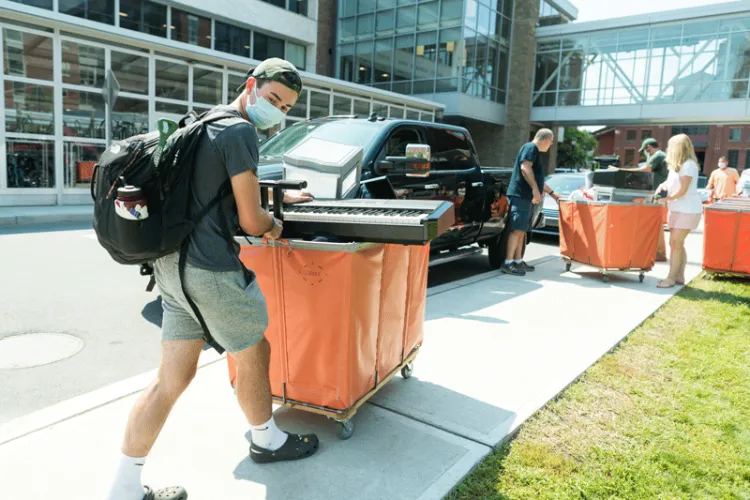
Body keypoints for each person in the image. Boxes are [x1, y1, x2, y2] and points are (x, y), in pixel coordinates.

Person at [106, 58, 317, 500]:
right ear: (251, 86)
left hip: (170, 268)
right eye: (274, 98)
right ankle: (267, 441)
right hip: (211, 270)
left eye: (287, 107)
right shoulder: (240, 132)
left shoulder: (204, 121)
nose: (278, 111)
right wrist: (274, 223)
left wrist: (276, 194)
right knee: (255, 349)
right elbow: (252, 222)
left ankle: (123, 488)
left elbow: (210, 187)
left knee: (171, 378)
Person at [502, 128, 561, 276]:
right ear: (547, 139)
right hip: (521, 195)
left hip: (526, 197)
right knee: (516, 230)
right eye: (551, 142)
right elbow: (525, 168)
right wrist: (535, 190)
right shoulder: (530, 148)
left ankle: (518, 261)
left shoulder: (534, 151)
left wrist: (553, 194)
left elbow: (538, 179)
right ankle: (508, 263)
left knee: (523, 230)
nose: (550, 145)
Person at [654, 134, 703, 289]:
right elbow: (670, 182)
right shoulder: (676, 165)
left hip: (687, 209)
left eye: (671, 146)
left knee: (676, 243)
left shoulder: (688, 165)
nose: (669, 149)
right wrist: (662, 186)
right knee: (676, 243)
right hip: (677, 208)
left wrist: (665, 199)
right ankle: (680, 276)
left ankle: (670, 279)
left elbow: (682, 190)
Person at [615, 138, 669, 261]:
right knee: (654, 223)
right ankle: (656, 252)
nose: (646, 152)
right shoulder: (658, 156)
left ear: (648, 147)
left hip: (659, 194)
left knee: (656, 223)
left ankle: (660, 253)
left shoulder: (658, 155)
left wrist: (621, 170)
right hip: (656, 193)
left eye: (645, 150)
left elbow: (645, 170)